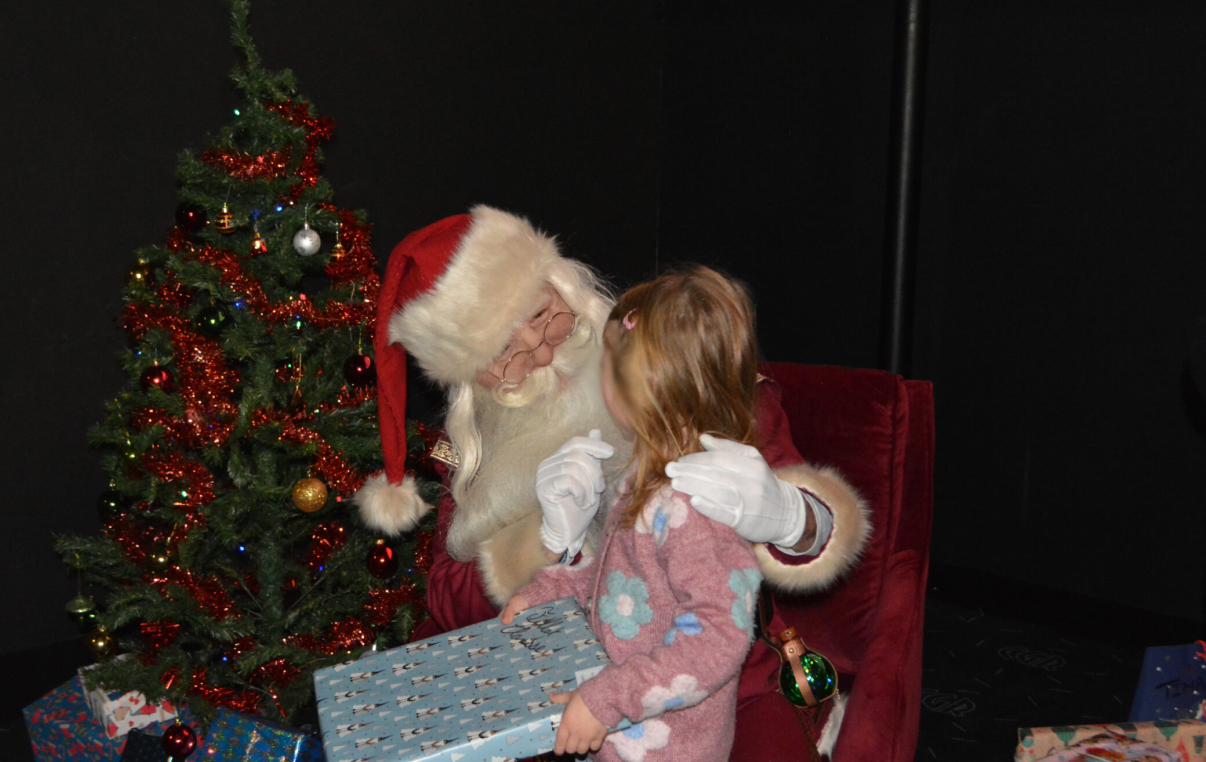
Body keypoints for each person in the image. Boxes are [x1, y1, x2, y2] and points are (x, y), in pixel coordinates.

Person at [354, 205, 870, 758]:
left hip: (713, 694)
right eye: (503, 353)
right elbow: (448, 596)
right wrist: (548, 545)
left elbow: (738, 610)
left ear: (564, 284)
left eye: (543, 317)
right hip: (568, 682)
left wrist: (792, 517)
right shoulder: (471, 451)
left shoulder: (678, 369)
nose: (543, 352)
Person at [500, 266, 771, 761]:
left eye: (609, 364)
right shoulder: (647, 475)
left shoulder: (695, 504)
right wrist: (550, 590)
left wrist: (605, 702)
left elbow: (718, 638)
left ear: (643, 385)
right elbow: (619, 580)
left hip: (668, 750)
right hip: (622, 738)